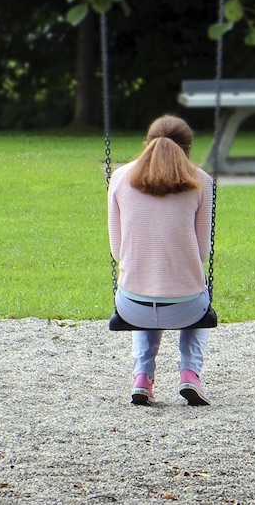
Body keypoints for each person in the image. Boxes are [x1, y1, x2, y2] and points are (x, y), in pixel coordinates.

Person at [107, 114, 213, 407]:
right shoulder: (201, 181)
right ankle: (190, 374)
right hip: (187, 309)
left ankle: (142, 376)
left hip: (132, 308)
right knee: (196, 291)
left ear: (147, 143)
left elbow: (118, 252)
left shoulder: (119, 177)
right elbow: (201, 254)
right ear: (188, 148)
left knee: (144, 287)